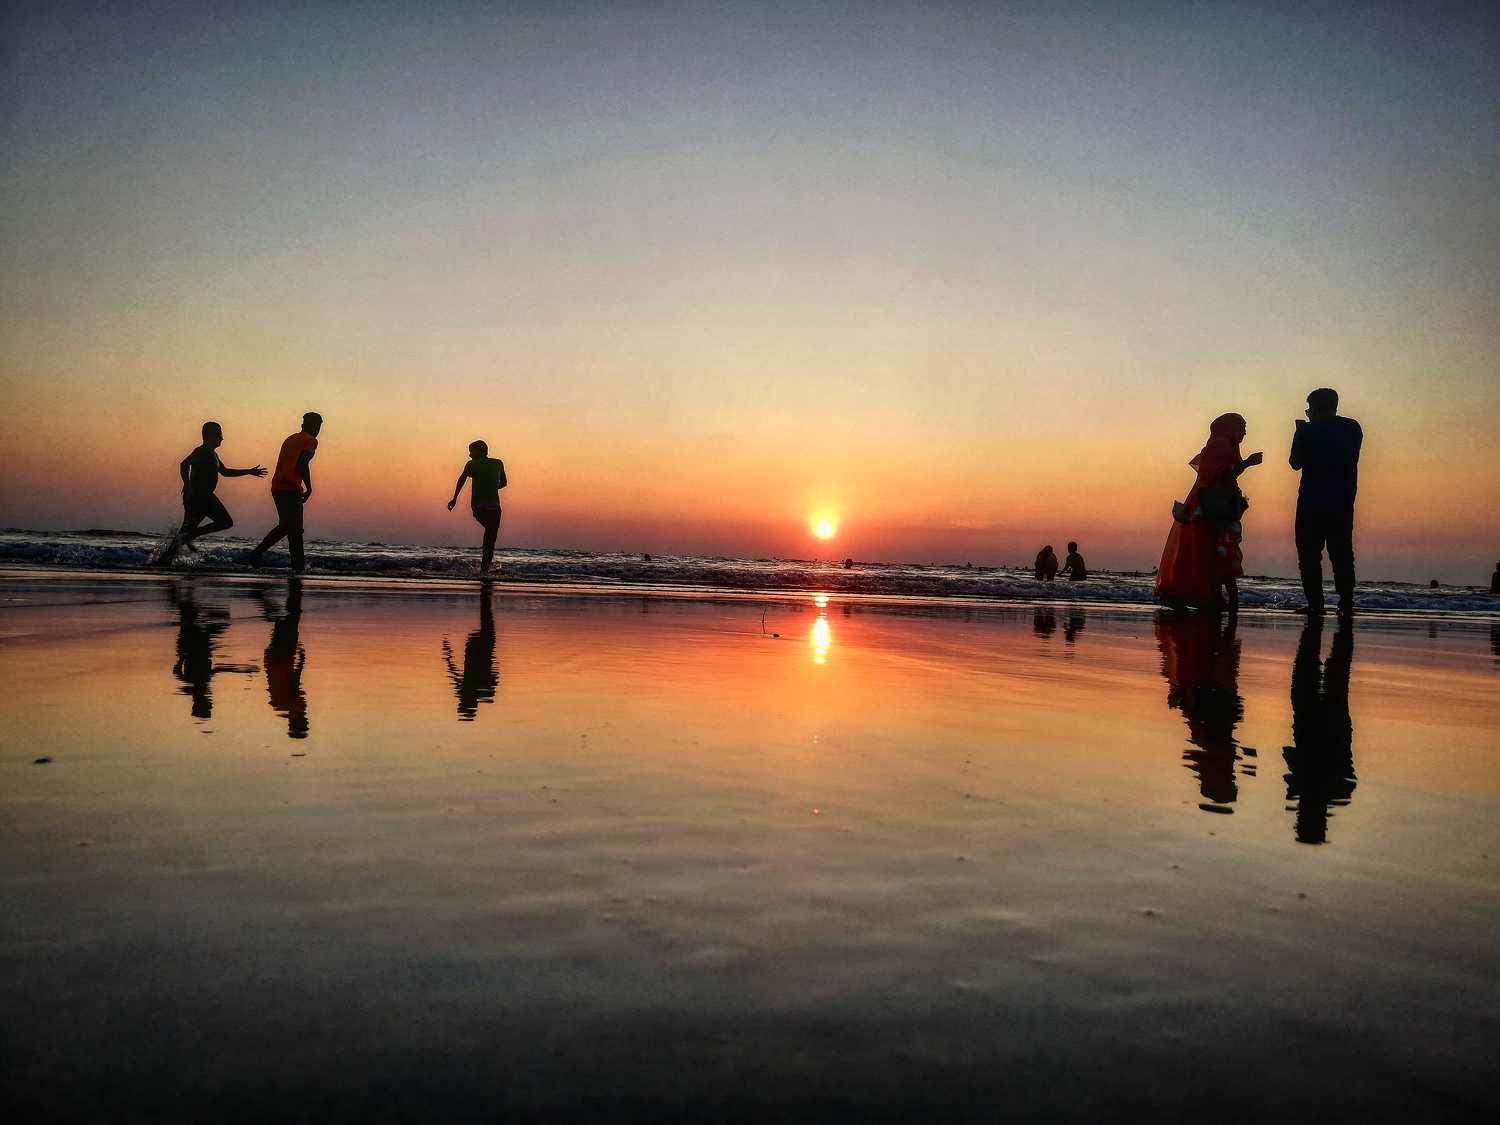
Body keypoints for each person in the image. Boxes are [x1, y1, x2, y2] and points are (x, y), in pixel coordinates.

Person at [1155, 413, 1263, 612]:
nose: (1245, 432)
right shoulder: (1221, 445)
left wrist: (1245, 464)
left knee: (1212, 551)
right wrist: (1247, 463)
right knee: (1212, 550)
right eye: (1242, 427)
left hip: (1211, 505)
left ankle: (1213, 598)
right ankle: (1215, 599)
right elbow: (1219, 474)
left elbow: (1225, 471)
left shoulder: (1226, 445)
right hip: (1209, 508)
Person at [1282, 617, 1356, 844]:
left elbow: (1289, 753)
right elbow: (1288, 752)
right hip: (1318, 722)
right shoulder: (1334, 789)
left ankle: (1327, 612)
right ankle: (1334, 612)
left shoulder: (1341, 791)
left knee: (1333, 663)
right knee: (1316, 658)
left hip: (1324, 722)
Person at [1290, 388, 1362, 617]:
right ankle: (1346, 602)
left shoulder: (1307, 430)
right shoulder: (1353, 428)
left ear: (1315, 409)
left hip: (1311, 500)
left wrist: (1301, 432)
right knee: (1342, 554)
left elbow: (1295, 462)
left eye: (1309, 410)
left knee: (1309, 555)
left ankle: (1315, 603)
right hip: (1342, 500)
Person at [160, 422, 266, 563]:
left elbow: (225, 472)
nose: (222, 438)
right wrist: (187, 484)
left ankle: (165, 559)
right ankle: (186, 540)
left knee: (187, 531)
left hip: (204, 496)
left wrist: (248, 471)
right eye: (219, 434)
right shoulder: (201, 451)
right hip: (199, 496)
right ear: (210, 436)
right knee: (225, 522)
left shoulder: (213, 454)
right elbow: (184, 464)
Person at [248, 412, 322, 573]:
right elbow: (302, 464)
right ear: (314, 426)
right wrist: (309, 487)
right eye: (318, 427)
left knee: (290, 528)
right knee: (293, 529)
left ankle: (296, 566)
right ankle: (261, 555)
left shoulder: (290, 439)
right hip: (290, 488)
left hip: (278, 487)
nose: (318, 431)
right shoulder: (310, 440)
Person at [447, 439, 507, 574]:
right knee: (490, 538)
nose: (469, 455)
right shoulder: (498, 463)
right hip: (495, 507)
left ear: (479, 452)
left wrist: (454, 498)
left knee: (489, 536)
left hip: (478, 507)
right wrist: (492, 487)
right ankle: (484, 570)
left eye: (471, 452)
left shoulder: (471, 464)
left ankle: (484, 571)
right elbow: (504, 483)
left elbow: (462, 479)